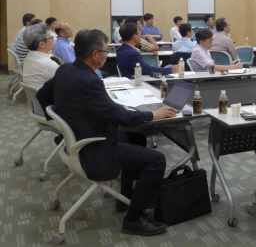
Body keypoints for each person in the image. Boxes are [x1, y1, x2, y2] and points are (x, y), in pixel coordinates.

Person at [36, 29, 175, 236]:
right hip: (97, 150)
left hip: (78, 142)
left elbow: (42, 95)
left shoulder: (65, 70)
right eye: (105, 50)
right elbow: (120, 116)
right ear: (94, 54)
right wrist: (153, 115)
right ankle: (134, 219)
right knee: (156, 160)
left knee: (136, 137)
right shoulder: (89, 81)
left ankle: (125, 198)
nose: (107, 54)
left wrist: (63, 124)